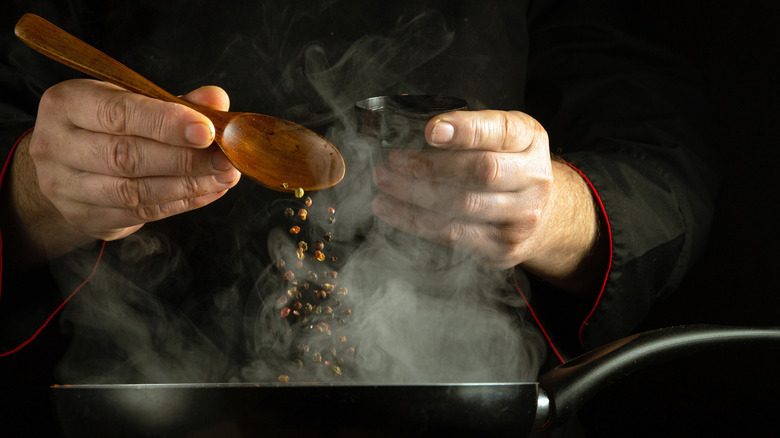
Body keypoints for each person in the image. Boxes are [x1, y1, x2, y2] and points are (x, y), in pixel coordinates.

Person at [0, 0, 720, 436]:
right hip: (143, 409)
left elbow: (665, 163)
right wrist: (36, 190)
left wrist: (548, 210)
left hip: (466, 421)